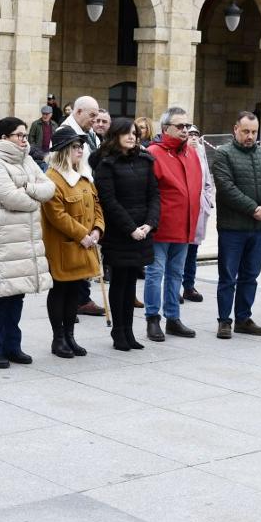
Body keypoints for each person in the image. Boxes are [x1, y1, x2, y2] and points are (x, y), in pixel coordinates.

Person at [0, 117, 55, 368]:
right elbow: (10, 196)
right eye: (19, 136)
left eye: (25, 135)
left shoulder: (27, 159)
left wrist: (28, 189)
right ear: (4, 138)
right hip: (3, 240)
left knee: (17, 295)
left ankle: (11, 346)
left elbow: (49, 187)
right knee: (0, 296)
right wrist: (33, 198)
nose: (24, 140)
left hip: (24, 239)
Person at [210, 111, 261, 339]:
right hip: (232, 228)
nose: (250, 136)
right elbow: (227, 188)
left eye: (254, 132)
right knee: (228, 276)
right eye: (246, 131)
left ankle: (243, 318)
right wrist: (253, 208)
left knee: (250, 275)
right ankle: (224, 320)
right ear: (235, 129)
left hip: (257, 229)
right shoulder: (224, 155)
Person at [95, 117, 160, 350]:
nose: (132, 136)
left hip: (142, 231)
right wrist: (130, 228)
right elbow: (108, 201)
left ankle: (130, 332)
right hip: (120, 232)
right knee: (119, 282)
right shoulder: (106, 164)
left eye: (134, 133)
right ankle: (118, 332)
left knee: (132, 282)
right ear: (115, 136)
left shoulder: (145, 160)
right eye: (126, 133)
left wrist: (149, 224)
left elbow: (154, 194)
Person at [41, 127, 105, 358]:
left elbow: (97, 205)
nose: (80, 150)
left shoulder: (83, 176)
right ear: (64, 150)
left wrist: (98, 229)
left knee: (74, 294)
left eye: (81, 147)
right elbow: (56, 214)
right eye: (76, 147)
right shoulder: (52, 178)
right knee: (60, 291)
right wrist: (83, 235)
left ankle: (70, 336)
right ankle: (58, 338)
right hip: (63, 247)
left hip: (84, 245)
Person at [144, 106, 203, 341]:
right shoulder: (154, 153)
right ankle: (152, 318)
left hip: (185, 225)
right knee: (155, 273)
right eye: (179, 126)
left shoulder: (191, 153)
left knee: (176, 274)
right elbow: (148, 192)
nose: (185, 130)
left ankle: (173, 317)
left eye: (187, 126)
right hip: (161, 226)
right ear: (165, 128)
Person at [61, 94, 104, 315]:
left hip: (87, 195)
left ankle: (80, 297)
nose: (95, 120)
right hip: (74, 197)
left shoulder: (87, 133)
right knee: (77, 249)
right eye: (92, 115)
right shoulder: (66, 133)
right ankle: (79, 299)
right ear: (78, 112)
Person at [180, 124, 215, 304]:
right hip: (183, 210)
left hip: (200, 209)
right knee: (178, 252)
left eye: (196, 134)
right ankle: (174, 286)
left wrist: (208, 203)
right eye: (190, 134)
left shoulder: (201, 151)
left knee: (192, 251)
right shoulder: (180, 152)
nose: (193, 137)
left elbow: (207, 180)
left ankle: (189, 285)